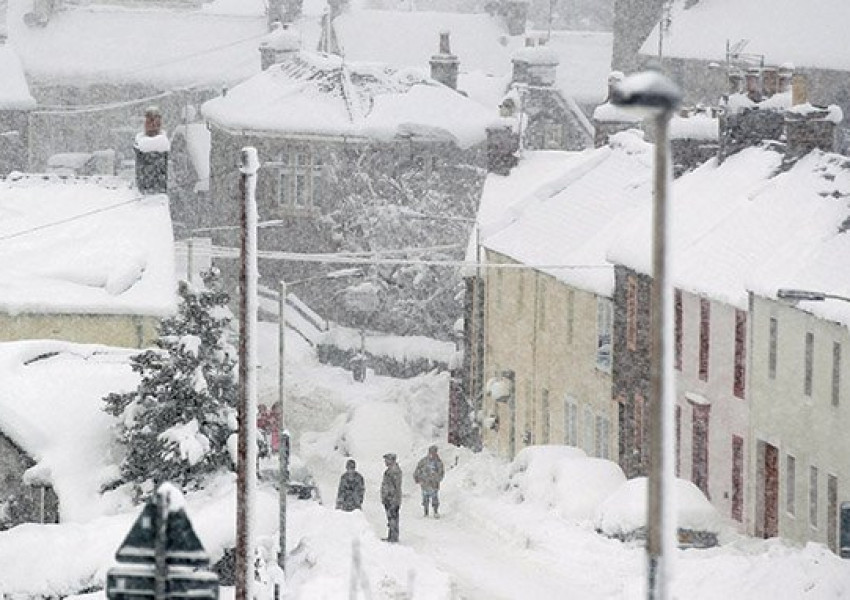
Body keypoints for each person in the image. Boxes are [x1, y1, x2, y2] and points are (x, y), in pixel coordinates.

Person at [414, 445, 445, 518]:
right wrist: (417, 478)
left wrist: (437, 479)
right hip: (424, 483)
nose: (432, 453)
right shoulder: (423, 461)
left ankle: (435, 511)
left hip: (433, 484)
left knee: (434, 497)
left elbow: (441, 472)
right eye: (431, 452)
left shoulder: (438, 462)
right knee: (425, 498)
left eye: (434, 452)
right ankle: (426, 511)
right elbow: (418, 470)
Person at [380, 453, 402, 542]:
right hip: (389, 498)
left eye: (387, 460)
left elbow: (395, 486)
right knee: (391, 518)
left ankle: (393, 537)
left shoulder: (394, 471)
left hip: (392, 499)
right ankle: (391, 535)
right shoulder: (390, 470)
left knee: (393, 517)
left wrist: (390, 496)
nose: (385, 462)